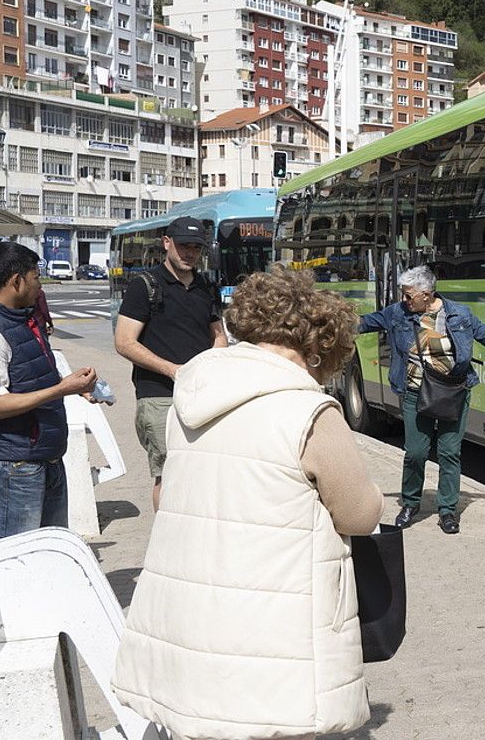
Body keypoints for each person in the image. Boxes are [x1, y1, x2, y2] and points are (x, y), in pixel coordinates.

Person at [112, 266, 384, 740]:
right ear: (318, 346)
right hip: (274, 617)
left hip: (193, 609)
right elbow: (360, 515)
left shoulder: (192, 395)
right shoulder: (309, 411)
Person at [359, 265, 485, 534]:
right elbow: (366, 322)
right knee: (416, 452)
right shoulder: (398, 313)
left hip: (453, 392)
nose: (404, 300)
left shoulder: (459, 315)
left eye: (409, 296)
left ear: (427, 295)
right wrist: (325, 323)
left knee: (449, 452)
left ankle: (447, 511)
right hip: (415, 392)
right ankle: (410, 504)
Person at [114, 216, 227, 511]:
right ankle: (166, 545)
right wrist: (174, 371)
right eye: (183, 246)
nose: (189, 253)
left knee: (203, 473)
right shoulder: (145, 285)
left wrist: (212, 368)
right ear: (167, 244)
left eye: (195, 247)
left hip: (202, 396)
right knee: (169, 475)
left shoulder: (206, 286)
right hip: (159, 397)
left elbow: (218, 336)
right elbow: (124, 342)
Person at [0, 242, 99, 539]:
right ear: (17, 281)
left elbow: (36, 373)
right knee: (19, 559)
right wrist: (61, 390)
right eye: (36, 277)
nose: (40, 285)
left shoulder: (28, 319)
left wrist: (75, 386)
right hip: (18, 467)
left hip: (50, 459)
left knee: (52, 555)